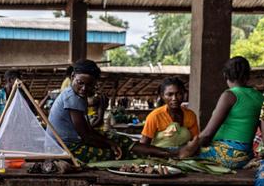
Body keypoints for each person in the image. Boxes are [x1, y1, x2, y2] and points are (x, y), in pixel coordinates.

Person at [47, 59, 196, 164]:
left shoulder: (76, 95)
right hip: (64, 148)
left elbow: (88, 129)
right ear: (72, 77)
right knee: (117, 153)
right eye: (80, 83)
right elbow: (86, 135)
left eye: (90, 85)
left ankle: (171, 153)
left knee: (120, 139)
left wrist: (110, 140)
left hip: (74, 142)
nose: (85, 88)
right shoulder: (72, 98)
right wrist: (110, 144)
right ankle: (168, 154)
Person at [187, 56, 264, 169]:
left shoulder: (229, 95)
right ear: (248, 76)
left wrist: (188, 148)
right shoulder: (260, 97)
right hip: (246, 156)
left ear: (225, 75)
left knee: (173, 153)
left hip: (226, 156)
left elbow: (207, 134)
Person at [140, 77, 199, 150]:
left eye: (179, 94)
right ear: (162, 96)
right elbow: (143, 146)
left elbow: (195, 140)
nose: (174, 98)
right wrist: (168, 154)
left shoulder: (190, 115)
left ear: (184, 94)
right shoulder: (155, 116)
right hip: (159, 156)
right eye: (170, 94)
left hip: (185, 156)